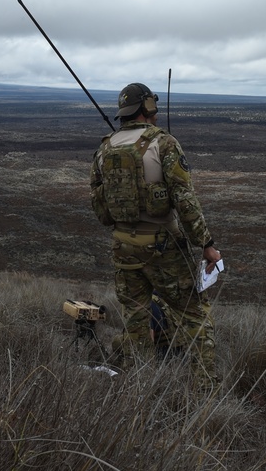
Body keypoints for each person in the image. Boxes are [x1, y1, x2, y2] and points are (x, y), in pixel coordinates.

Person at [90, 83, 222, 387]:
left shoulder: (103, 150)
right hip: (163, 247)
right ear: (147, 108)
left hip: (123, 249)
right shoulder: (163, 144)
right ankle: (206, 393)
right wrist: (206, 245)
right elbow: (185, 201)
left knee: (136, 324)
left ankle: (142, 389)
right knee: (195, 316)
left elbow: (101, 211)